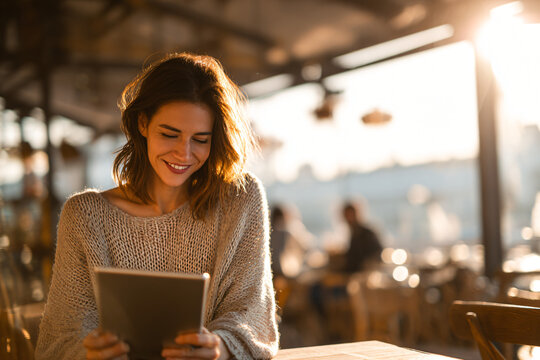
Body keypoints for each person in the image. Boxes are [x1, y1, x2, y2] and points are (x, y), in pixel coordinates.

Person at [35, 53, 279, 360]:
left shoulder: (240, 201)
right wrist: (87, 353)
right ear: (142, 123)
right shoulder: (85, 216)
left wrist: (220, 347)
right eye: (169, 134)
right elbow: (59, 339)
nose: (184, 153)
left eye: (200, 139)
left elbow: (252, 314)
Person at [342, 201, 382, 273]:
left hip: (364, 274)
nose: (349, 218)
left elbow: (376, 255)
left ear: (356, 214)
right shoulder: (354, 233)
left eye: (350, 215)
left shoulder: (367, 234)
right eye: (346, 215)